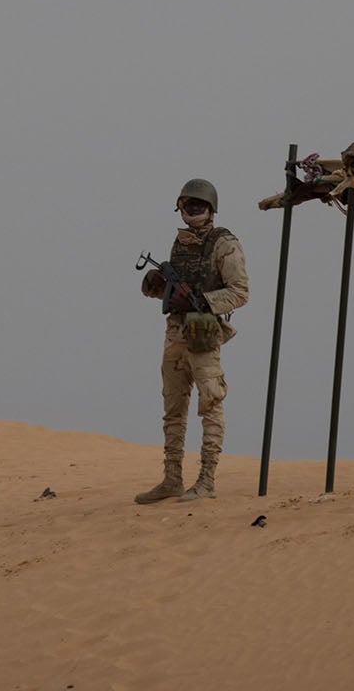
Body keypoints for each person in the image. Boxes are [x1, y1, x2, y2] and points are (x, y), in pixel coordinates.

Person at [135, 178, 249, 503]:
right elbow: (163, 293)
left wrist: (201, 300)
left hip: (203, 331)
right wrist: (155, 285)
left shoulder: (224, 243)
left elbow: (240, 292)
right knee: (173, 408)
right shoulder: (180, 244)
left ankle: (206, 481)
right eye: (188, 204)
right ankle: (172, 479)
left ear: (211, 207)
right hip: (175, 332)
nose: (193, 209)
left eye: (198, 204)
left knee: (210, 404)